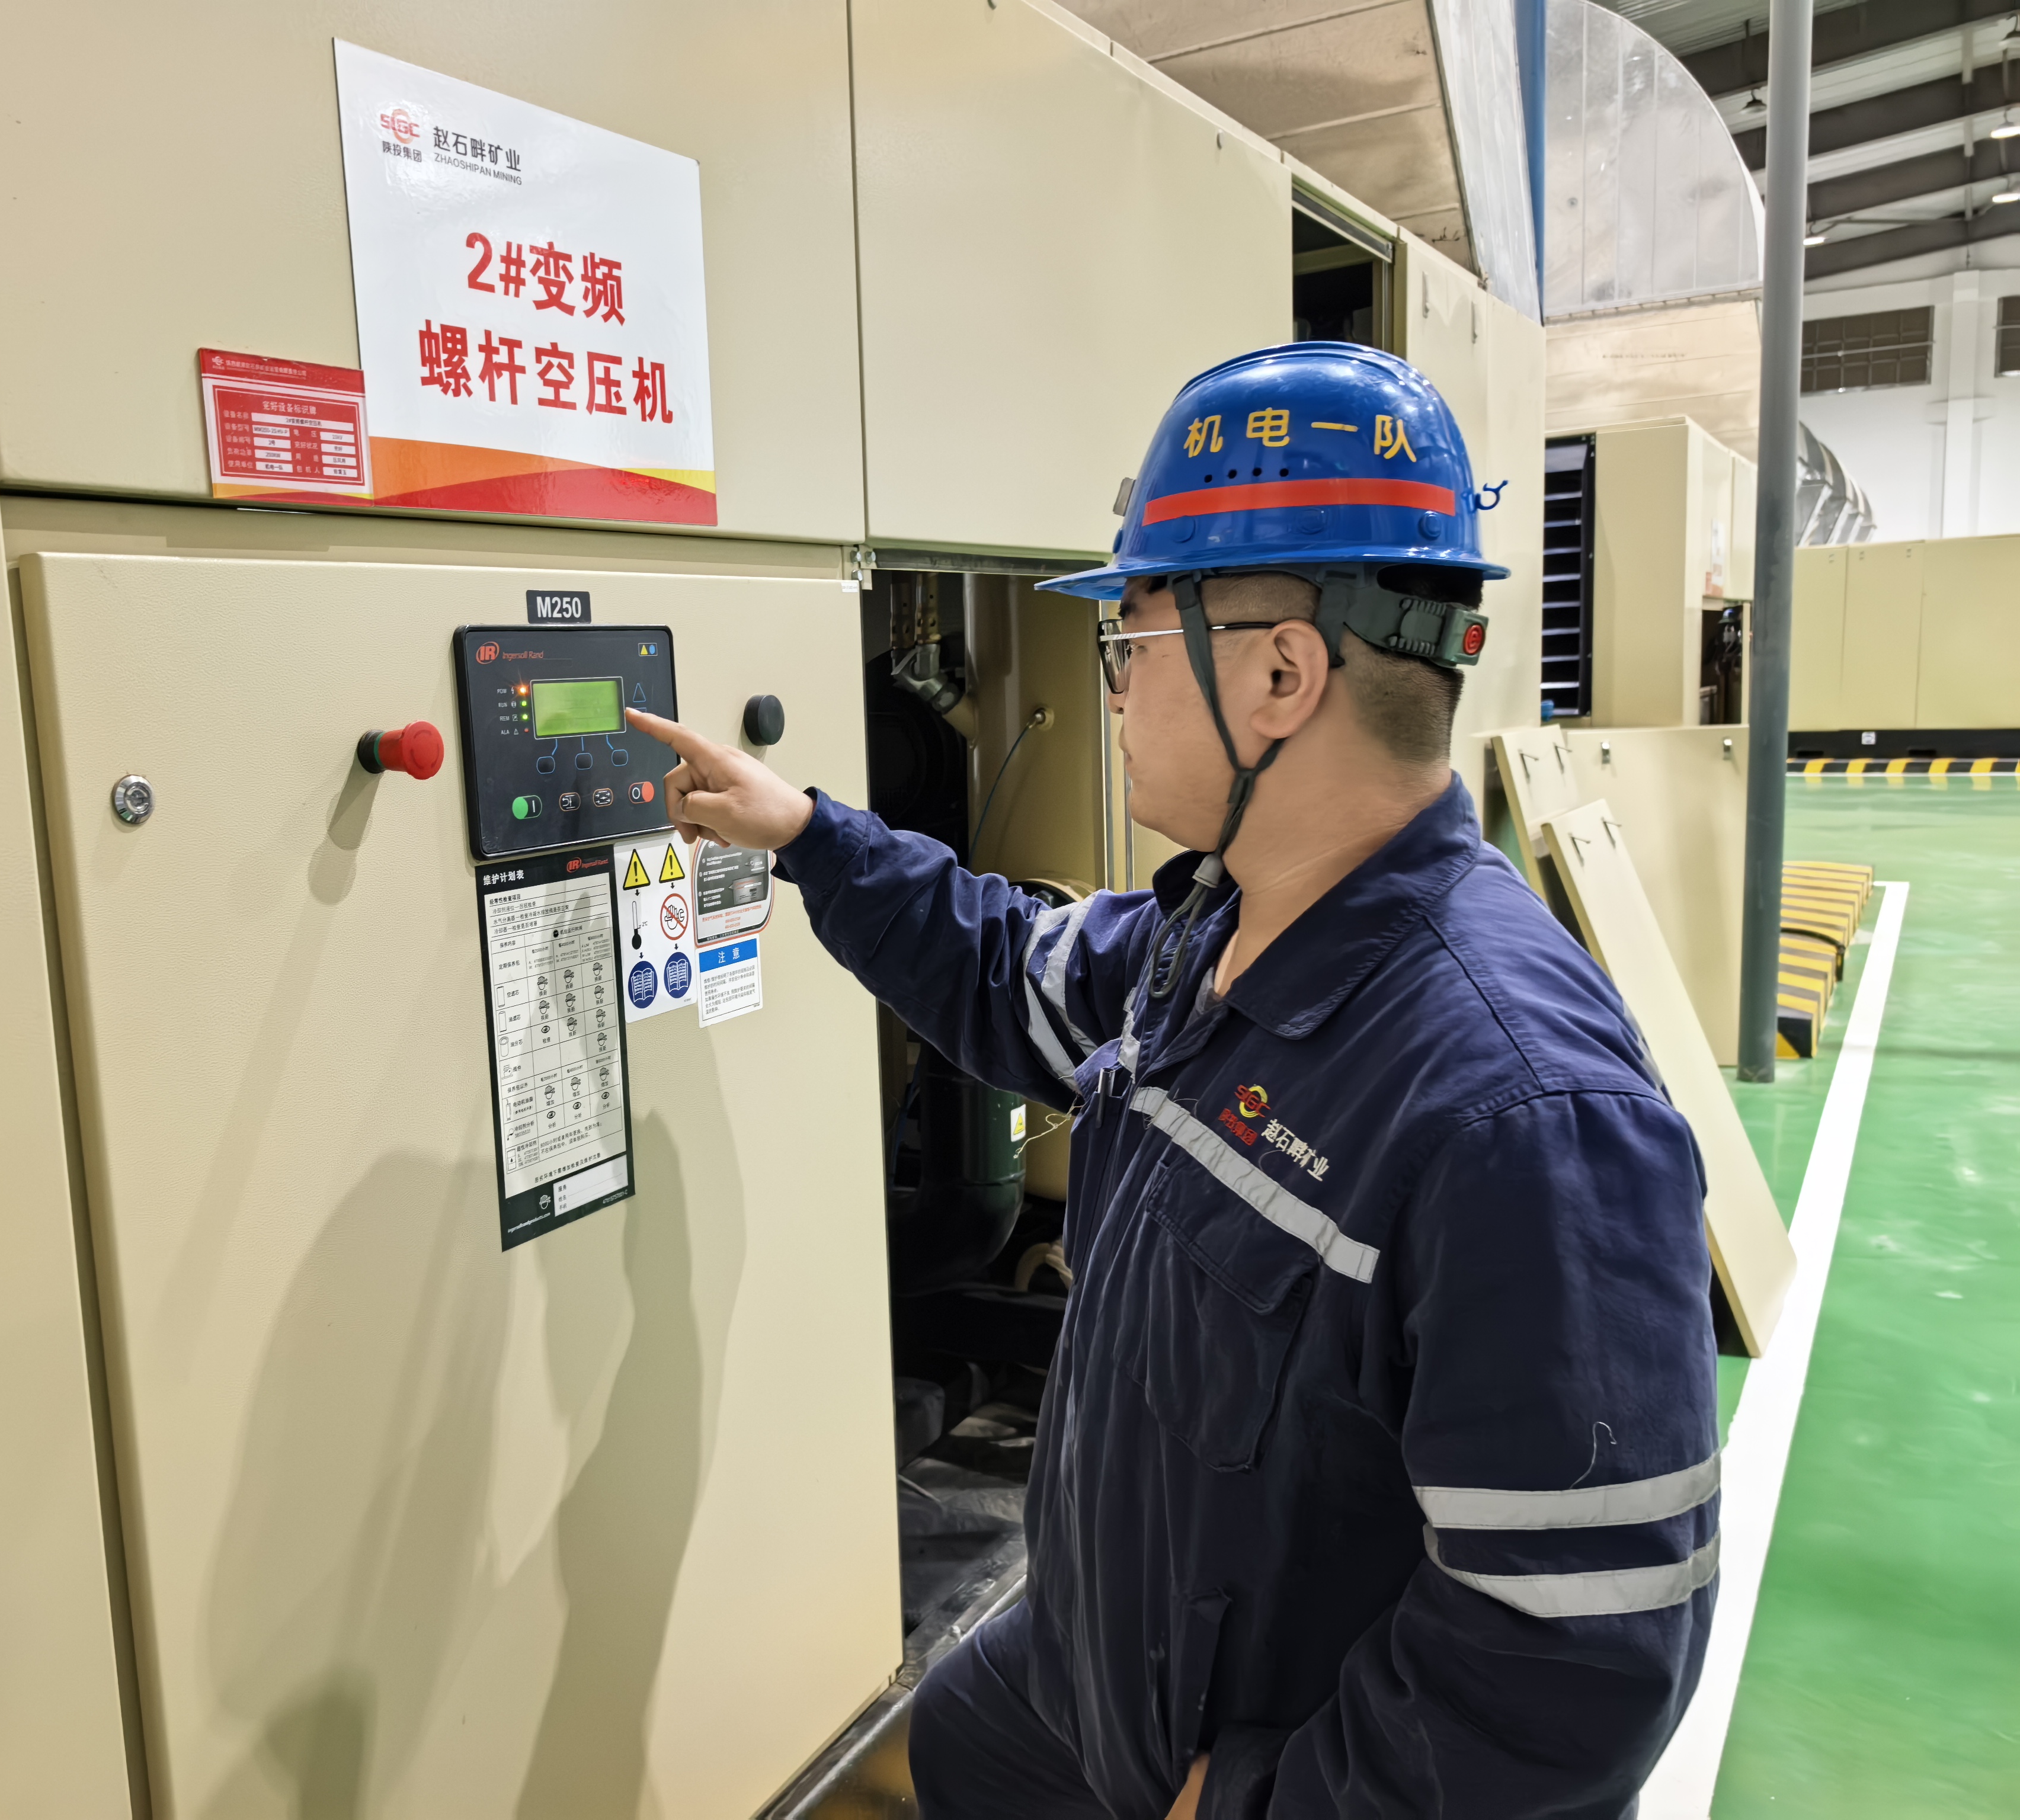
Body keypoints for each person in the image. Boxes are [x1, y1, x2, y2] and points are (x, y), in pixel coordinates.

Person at [628, 343, 1717, 1819]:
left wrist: (1268, 1805)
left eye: (1128, 644)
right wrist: (810, 836)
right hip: (1100, 1677)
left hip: (1247, 1767)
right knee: (955, 1743)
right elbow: (1003, 967)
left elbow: (1571, 1660)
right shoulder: (1210, 934)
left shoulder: (1516, 1115)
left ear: (1278, 675)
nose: (1117, 692)